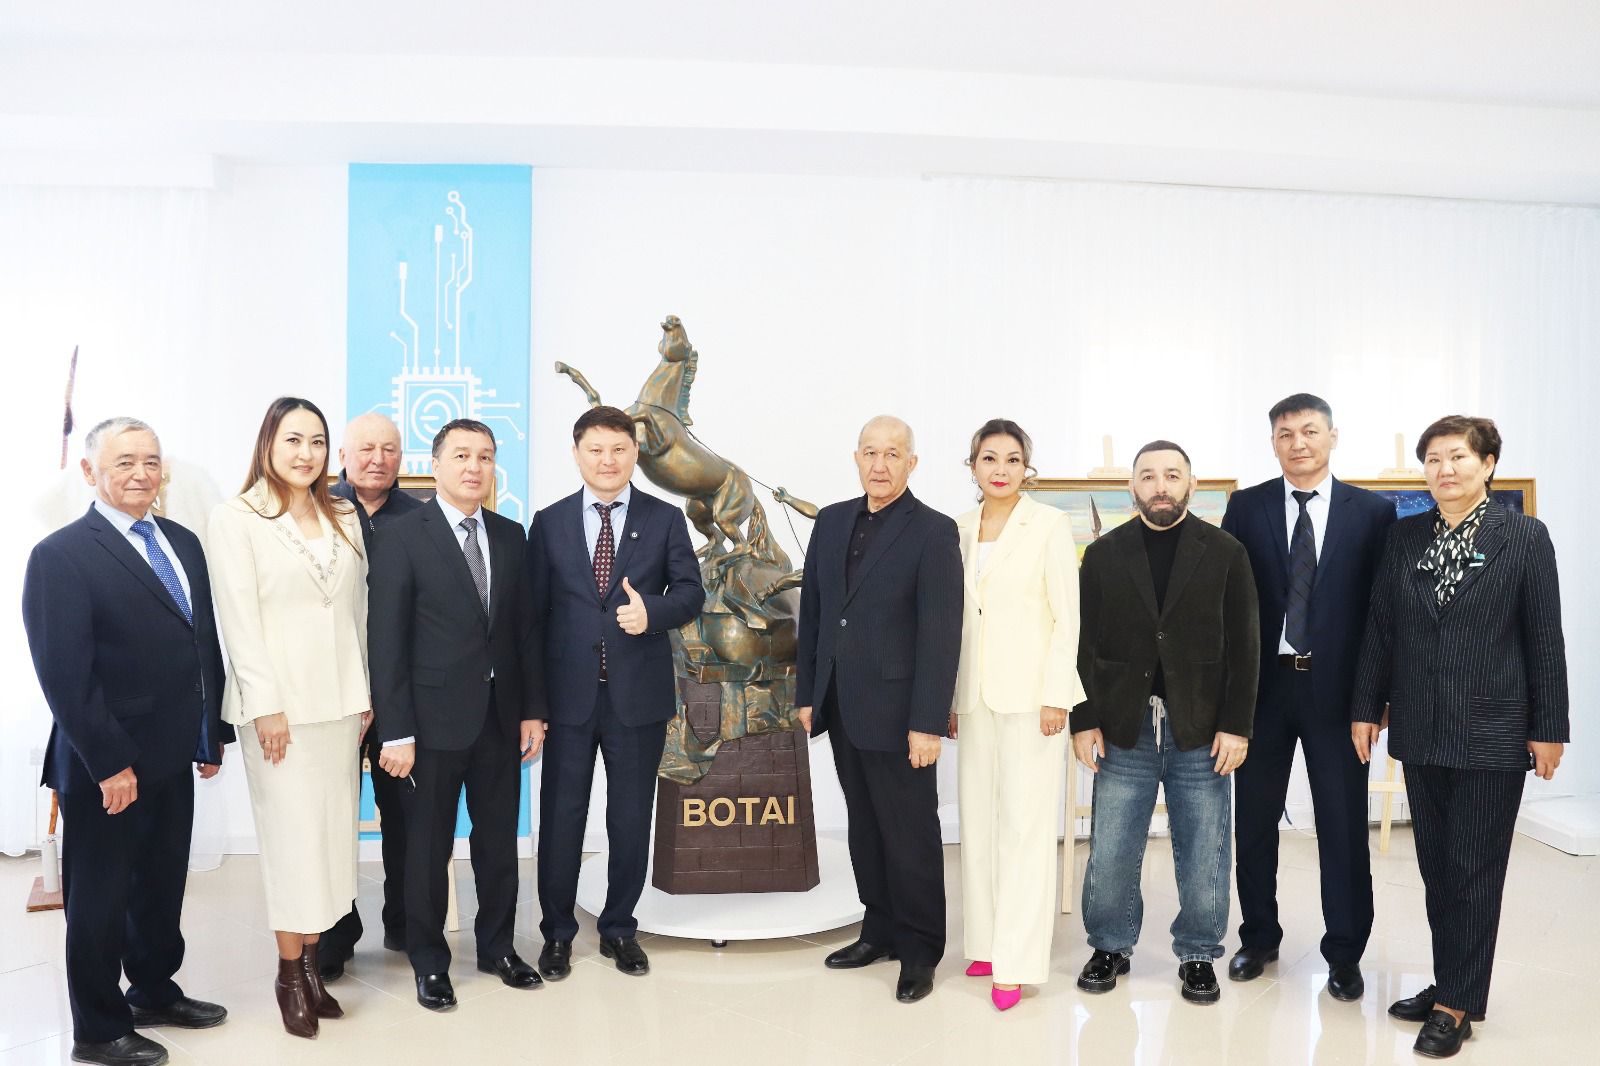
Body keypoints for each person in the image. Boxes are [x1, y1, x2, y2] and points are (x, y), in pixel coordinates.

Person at [1352, 415, 1568, 1059]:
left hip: (1493, 731)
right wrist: (1366, 705)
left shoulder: (1523, 536)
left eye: (1458, 457)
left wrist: (1549, 728)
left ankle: (1455, 1006)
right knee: (1437, 868)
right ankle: (1453, 983)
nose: (1445, 470)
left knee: (1474, 868)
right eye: (1434, 460)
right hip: (1421, 725)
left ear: (1488, 464)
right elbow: (1382, 626)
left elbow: (1544, 637)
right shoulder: (1406, 537)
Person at [23, 417, 232, 1066]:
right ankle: (97, 1028)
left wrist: (209, 732)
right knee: (100, 899)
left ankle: (153, 992)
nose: (141, 473)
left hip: (173, 752)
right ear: (90, 471)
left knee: (160, 887)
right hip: (106, 763)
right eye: (124, 462)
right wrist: (111, 762)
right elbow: (64, 674)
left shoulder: (182, 541)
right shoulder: (61, 555)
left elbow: (200, 642)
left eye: (151, 461)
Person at [1220, 394, 1396, 1001]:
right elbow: (1229, 604)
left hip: (1340, 694)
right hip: (1263, 691)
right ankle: (1258, 937)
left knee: (1342, 825)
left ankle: (1344, 952)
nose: (1298, 443)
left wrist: (1374, 699)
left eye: (1310, 431)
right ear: (1273, 442)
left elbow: (1382, 614)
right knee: (1254, 821)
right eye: (1286, 433)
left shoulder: (1372, 512)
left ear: (1332, 436)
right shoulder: (1246, 507)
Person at [1071, 440, 1259, 1005]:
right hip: (1122, 726)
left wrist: (1237, 725)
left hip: (1201, 728)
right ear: (1132, 487)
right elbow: (1082, 644)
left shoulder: (1225, 552)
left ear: (1190, 485)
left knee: (1204, 849)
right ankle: (1109, 945)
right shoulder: (1103, 554)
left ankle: (1199, 953)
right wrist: (1084, 718)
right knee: (1111, 847)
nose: (1160, 486)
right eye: (1149, 476)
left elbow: (1245, 645)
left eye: (1172, 475)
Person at [368, 418, 545, 1011]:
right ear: (436, 465)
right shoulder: (400, 535)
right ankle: (429, 961)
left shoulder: (511, 535)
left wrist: (532, 711)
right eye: (462, 455)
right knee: (426, 847)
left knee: (498, 843)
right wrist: (396, 730)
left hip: (500, 718)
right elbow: (386, 641)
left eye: (485, 456)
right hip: (428, 724)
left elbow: (524, 631)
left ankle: (498, 949)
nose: (474, 467)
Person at [207, 397, 371, 1039]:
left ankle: (311, 967)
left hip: (339, 706)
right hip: (279, 712)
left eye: (317, 441)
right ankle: (288, 975)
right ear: (268, 445)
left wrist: (363, 692)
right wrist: (264, 704)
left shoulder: (343, 514)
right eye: (293, 440)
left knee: (329, 842)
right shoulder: (237, 517)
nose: (306, 453)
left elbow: (356, 609)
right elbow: (238, 619)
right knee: (291, 844)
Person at [527, 405, 704, 980]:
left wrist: (651, 612)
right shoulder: (549, 522)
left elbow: (691, 592)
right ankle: (557, 934)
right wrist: (534, 705)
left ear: (635, 453)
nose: (608, 460)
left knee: (629, 819)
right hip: (567, 700)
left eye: (619, 449)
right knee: (562, 819)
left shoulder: (664, 518)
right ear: (577, 454)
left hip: (637, 699)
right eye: (596, 450)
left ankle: (620, 928)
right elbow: (532, 620)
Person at [795, 414, 962, 1004]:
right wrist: (808, 694)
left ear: (912, 463)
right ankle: (879, 930)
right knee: (864, 826)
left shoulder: (934, 531)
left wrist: (927, 722)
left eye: (893, 454)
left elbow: (940, 633)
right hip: (842, 704)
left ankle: (919, 951)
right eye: (871, 452)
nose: (881, 464)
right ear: (856, 458)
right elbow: (814, 612)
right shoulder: (831, 520)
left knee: (910, 833)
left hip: (901, 714)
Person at [948, 419, 1083, 1012]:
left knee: (1025, 829)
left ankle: (1018, 960)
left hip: (1033, 699)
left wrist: (1057, 694)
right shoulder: (957, 529)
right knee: (978, 822)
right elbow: (953, 620)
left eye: (1011, 459)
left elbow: (1067, 616)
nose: (1000, 469)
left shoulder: (1049, 524)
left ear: (1027, 467)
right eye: (989, 458)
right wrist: (949, 698)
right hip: (972, 696)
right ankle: (984, 940)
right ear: (972, 466)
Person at [317, 413, 423, 981]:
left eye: (389, 449)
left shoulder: (422, 517)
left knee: (404, 816)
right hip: (333, 691)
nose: (377, 459)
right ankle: (336, 933)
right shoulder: (315, 511)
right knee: (334, 816)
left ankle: (403, 921)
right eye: (365, 448)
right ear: (342, 455)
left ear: (401, 457)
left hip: (400, 696)